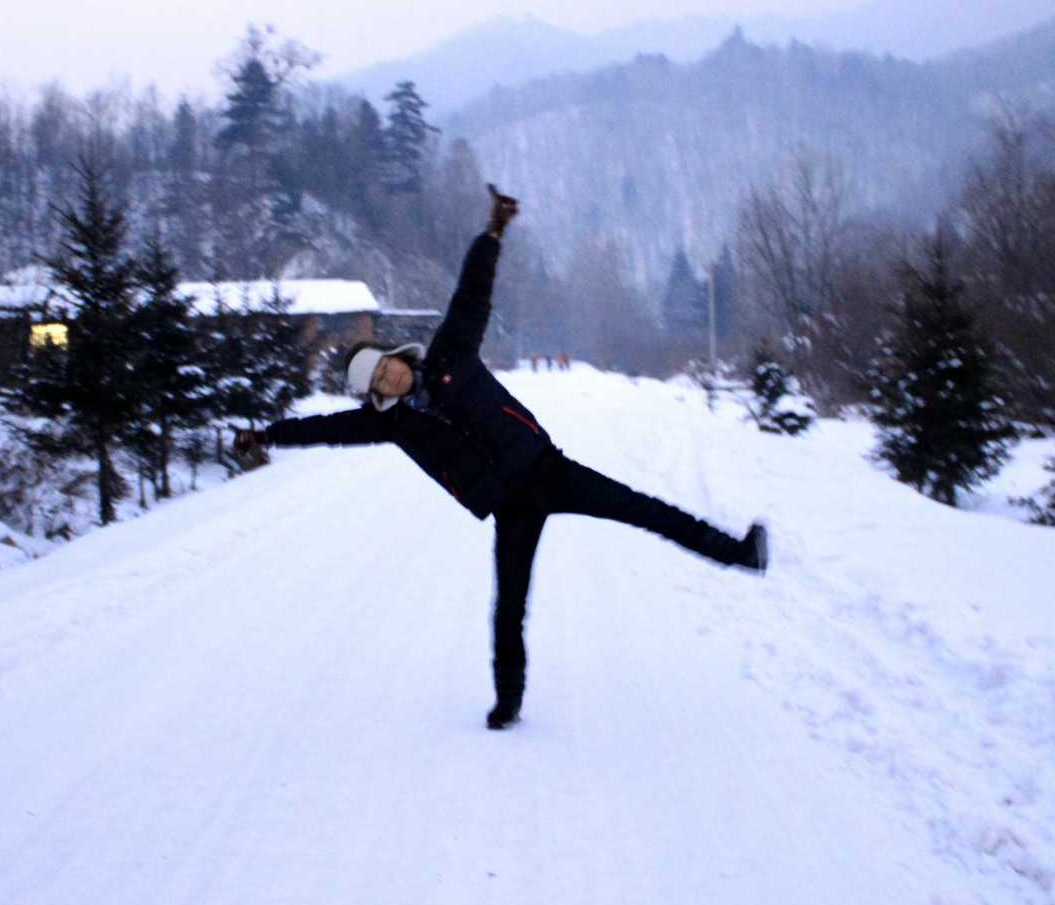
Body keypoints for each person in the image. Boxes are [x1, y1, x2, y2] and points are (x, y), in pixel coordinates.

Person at [236, 186, 766, 730]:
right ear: (374, 393)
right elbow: (323, 428)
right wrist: (267, 435)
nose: (388, 378)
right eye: (377, 382)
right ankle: (508, 700)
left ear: (396, 356)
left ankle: (739, 553)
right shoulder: (389, 424)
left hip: (550, 471)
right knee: (509, 606)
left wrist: (492, 234)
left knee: (647, 511)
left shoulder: (452, 354)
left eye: (385, 366)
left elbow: (471, 296)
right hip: (510, 508)